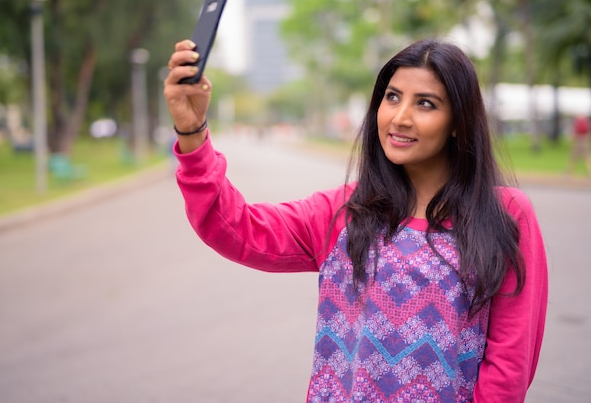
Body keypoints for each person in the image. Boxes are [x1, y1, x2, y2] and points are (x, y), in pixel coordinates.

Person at [164, 38, 548, 402]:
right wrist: (193, 133)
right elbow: (236, 228)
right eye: (392, 97)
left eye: (426, 104)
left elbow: (509, 365)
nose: (400, 117)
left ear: (458, 123)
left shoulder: (505, 215)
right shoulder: (344, 212)